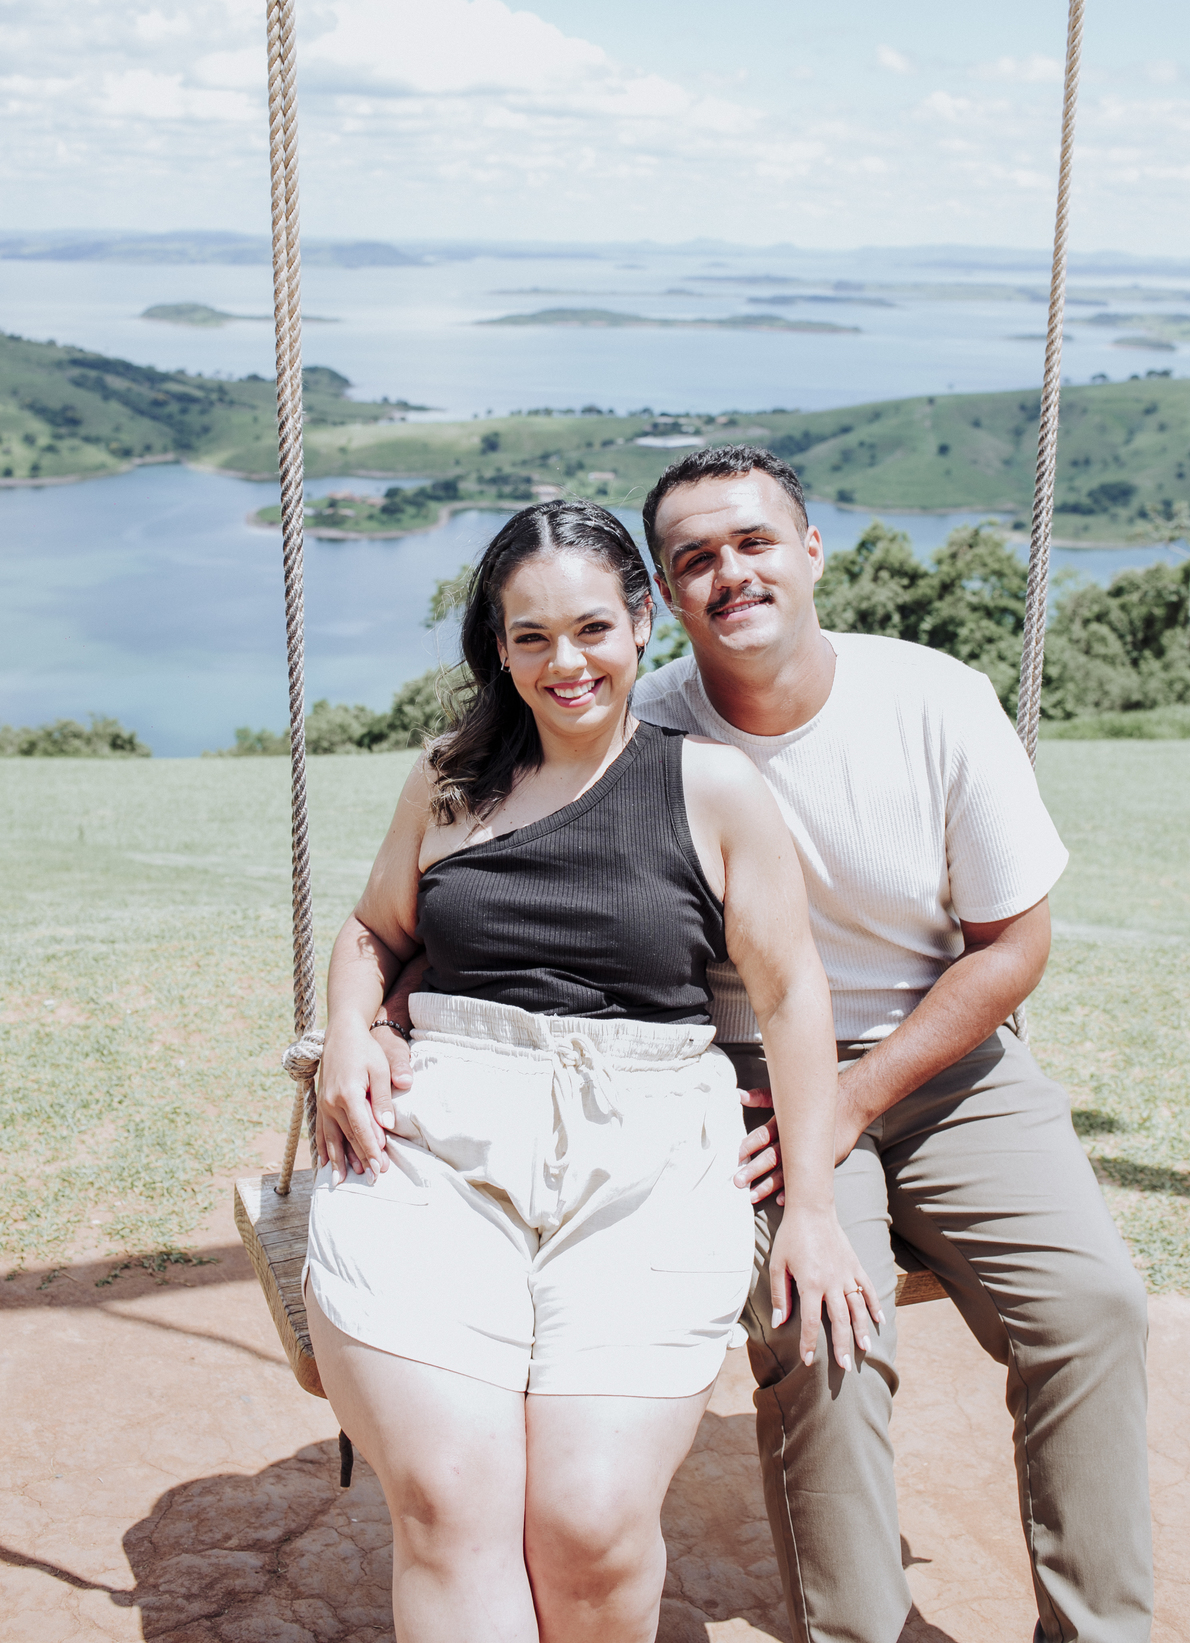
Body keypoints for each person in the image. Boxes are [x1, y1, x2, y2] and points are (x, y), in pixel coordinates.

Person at [304, 498, 877, 1643]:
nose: (565, 663)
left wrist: (812, 1209)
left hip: (644, 1150)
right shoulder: (452, 778)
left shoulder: (710, 787)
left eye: (592, 630)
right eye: (531, 637)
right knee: (451, 1502)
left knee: (591, 1524)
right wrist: (350, 1031)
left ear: (642, 622)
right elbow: (374, 931)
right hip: (438, 1141)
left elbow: (789, 994)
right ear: (498, 645)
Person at [627, 447, 1153, 1643]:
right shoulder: (646, 731)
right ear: (666, 592)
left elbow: (1012, 947)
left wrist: (857, 1098)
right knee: (825, 1330)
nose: (730, 573)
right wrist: (372, 1009)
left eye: (755, 542)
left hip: (944, 1059)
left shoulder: (935, 699)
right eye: (695, 559)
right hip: (753, 1079)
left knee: (1092, 1306)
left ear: (810, 553)